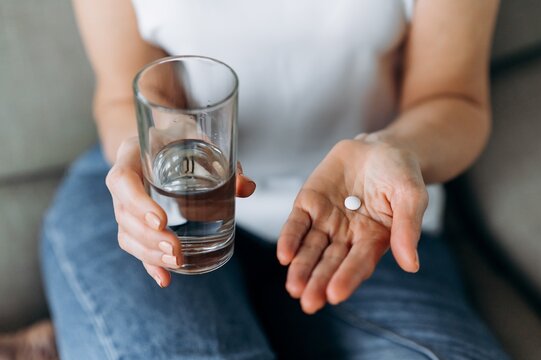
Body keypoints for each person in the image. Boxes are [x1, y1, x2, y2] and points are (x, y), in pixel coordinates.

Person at [41, 0, 509, 358]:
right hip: (164, 208)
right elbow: (123, 92)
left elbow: (453, 97)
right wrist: (157, 144)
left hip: (364, 217)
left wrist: (397, 149)